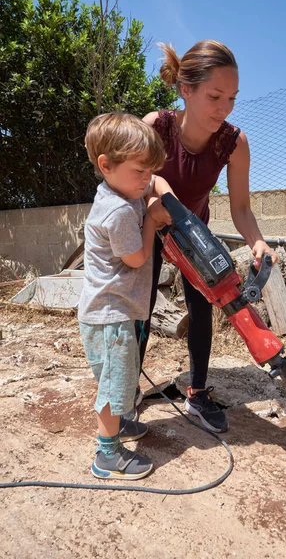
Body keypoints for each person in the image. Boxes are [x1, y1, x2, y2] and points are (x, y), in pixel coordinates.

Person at [139, 40, 278, 434]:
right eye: (215, 96)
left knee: (202, 312)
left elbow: (241, 210)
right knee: (139, 306)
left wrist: (258, 242)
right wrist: (153, 197)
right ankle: (127, 389)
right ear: (187, 89)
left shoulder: (233, 142)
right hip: (150, 227)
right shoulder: (155, 127)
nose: (225, 108)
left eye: (232, 98)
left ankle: (197, 392)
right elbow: (128, 181)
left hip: (193, 234)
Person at [78, 112, 171, 480]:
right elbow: (136, 258)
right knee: (113, 384)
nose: (146, 180)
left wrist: (153, 194)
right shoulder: (117, 210)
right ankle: (107, 455)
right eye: (140, 172)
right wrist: (152, 219)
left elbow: (153, 186)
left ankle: (118, 426)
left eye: (150, 172)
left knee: (121, 378)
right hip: (110, 315)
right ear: (106, 165)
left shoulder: (123, 188)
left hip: (115, 311)